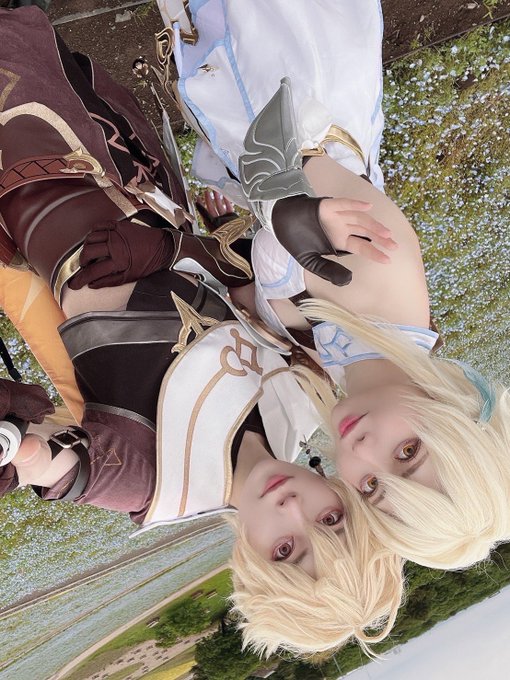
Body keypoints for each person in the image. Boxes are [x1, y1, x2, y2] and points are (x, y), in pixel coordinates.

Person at [0, 6, 403, 657]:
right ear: (343, 495)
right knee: (46, 39)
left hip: (44, 181)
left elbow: (51, 463)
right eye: (329, 519)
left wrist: (17, 451)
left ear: (252, 561)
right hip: (139, 168)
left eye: (286, 549)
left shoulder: (152, 483)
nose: (292, 508)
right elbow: (246, 283)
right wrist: (187, 243)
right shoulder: (302, 399)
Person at [156, 0, 510, 571]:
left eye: (370, 486)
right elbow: (285, 125)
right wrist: (284, 204)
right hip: (279, 44)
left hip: (234, 79)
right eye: (409, 452)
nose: (364, 451)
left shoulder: (354, 363)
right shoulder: (379, 276)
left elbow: (264, 296)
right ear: (456, 417)